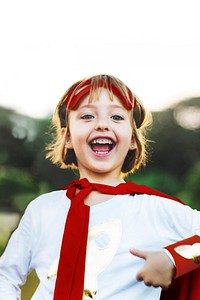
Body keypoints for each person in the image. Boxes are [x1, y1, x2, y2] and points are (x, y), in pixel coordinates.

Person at [0, 74, 200, 300]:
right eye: (87, 116)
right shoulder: (42, 210)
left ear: (133, 139)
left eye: (116, 116)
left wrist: (174, 259)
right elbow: (6, 275)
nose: (103, 124)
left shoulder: (156, 210)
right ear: (67, 137)